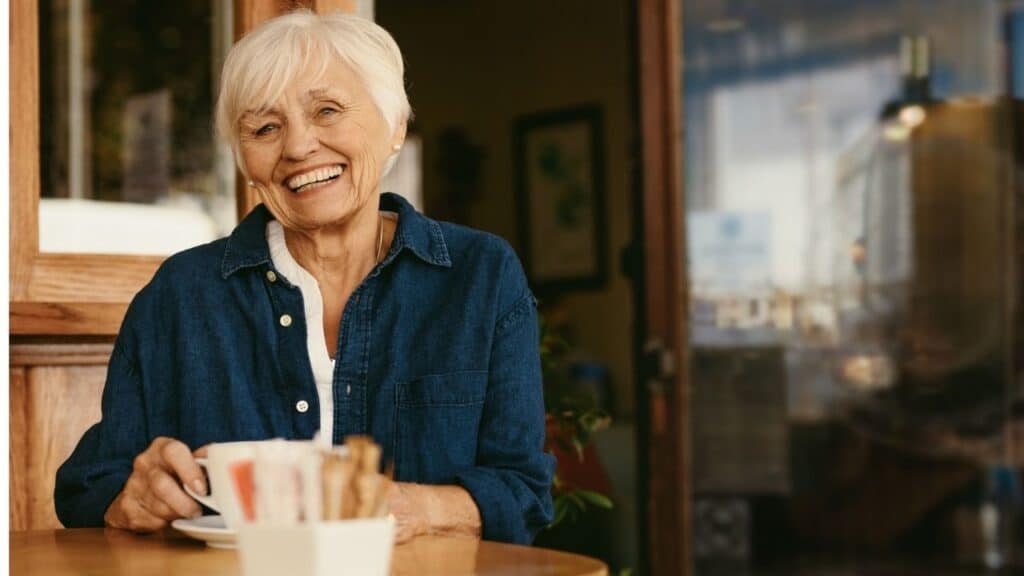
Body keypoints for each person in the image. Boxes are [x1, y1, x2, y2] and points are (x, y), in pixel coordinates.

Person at [54, 10, 554, 545]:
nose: (297, 147)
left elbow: (522, 492)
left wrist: (415, 507)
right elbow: (87, 485)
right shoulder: (181, 294)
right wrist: (132, 496)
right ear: (244, 157)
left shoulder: (478, 277)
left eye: (328, 111)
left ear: (394, 128)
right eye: (265, 127)